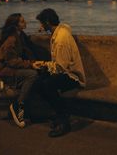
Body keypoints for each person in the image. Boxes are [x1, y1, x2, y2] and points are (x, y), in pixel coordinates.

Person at [35, 8, 86, 137]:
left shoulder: (60, 40)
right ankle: (60, 114)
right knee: (39, 82)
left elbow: (61, 68)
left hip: (73, 77)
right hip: (65, 73)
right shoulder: (60, 31)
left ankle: (64, 121)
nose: (40, 26)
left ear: (47, 22)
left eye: (41, 23)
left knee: (47, 85)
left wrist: (43, 64)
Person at [0, 13, 39, 128]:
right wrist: (30, 64)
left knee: (34, 76)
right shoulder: (12, 39)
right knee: (32, 75)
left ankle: (26, 108)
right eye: (22, 21)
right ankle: (17, 106)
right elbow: (11, 61)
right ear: (15, 26)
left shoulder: (20, 35)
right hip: (6, 71)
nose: (25, 23)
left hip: (13, 69)